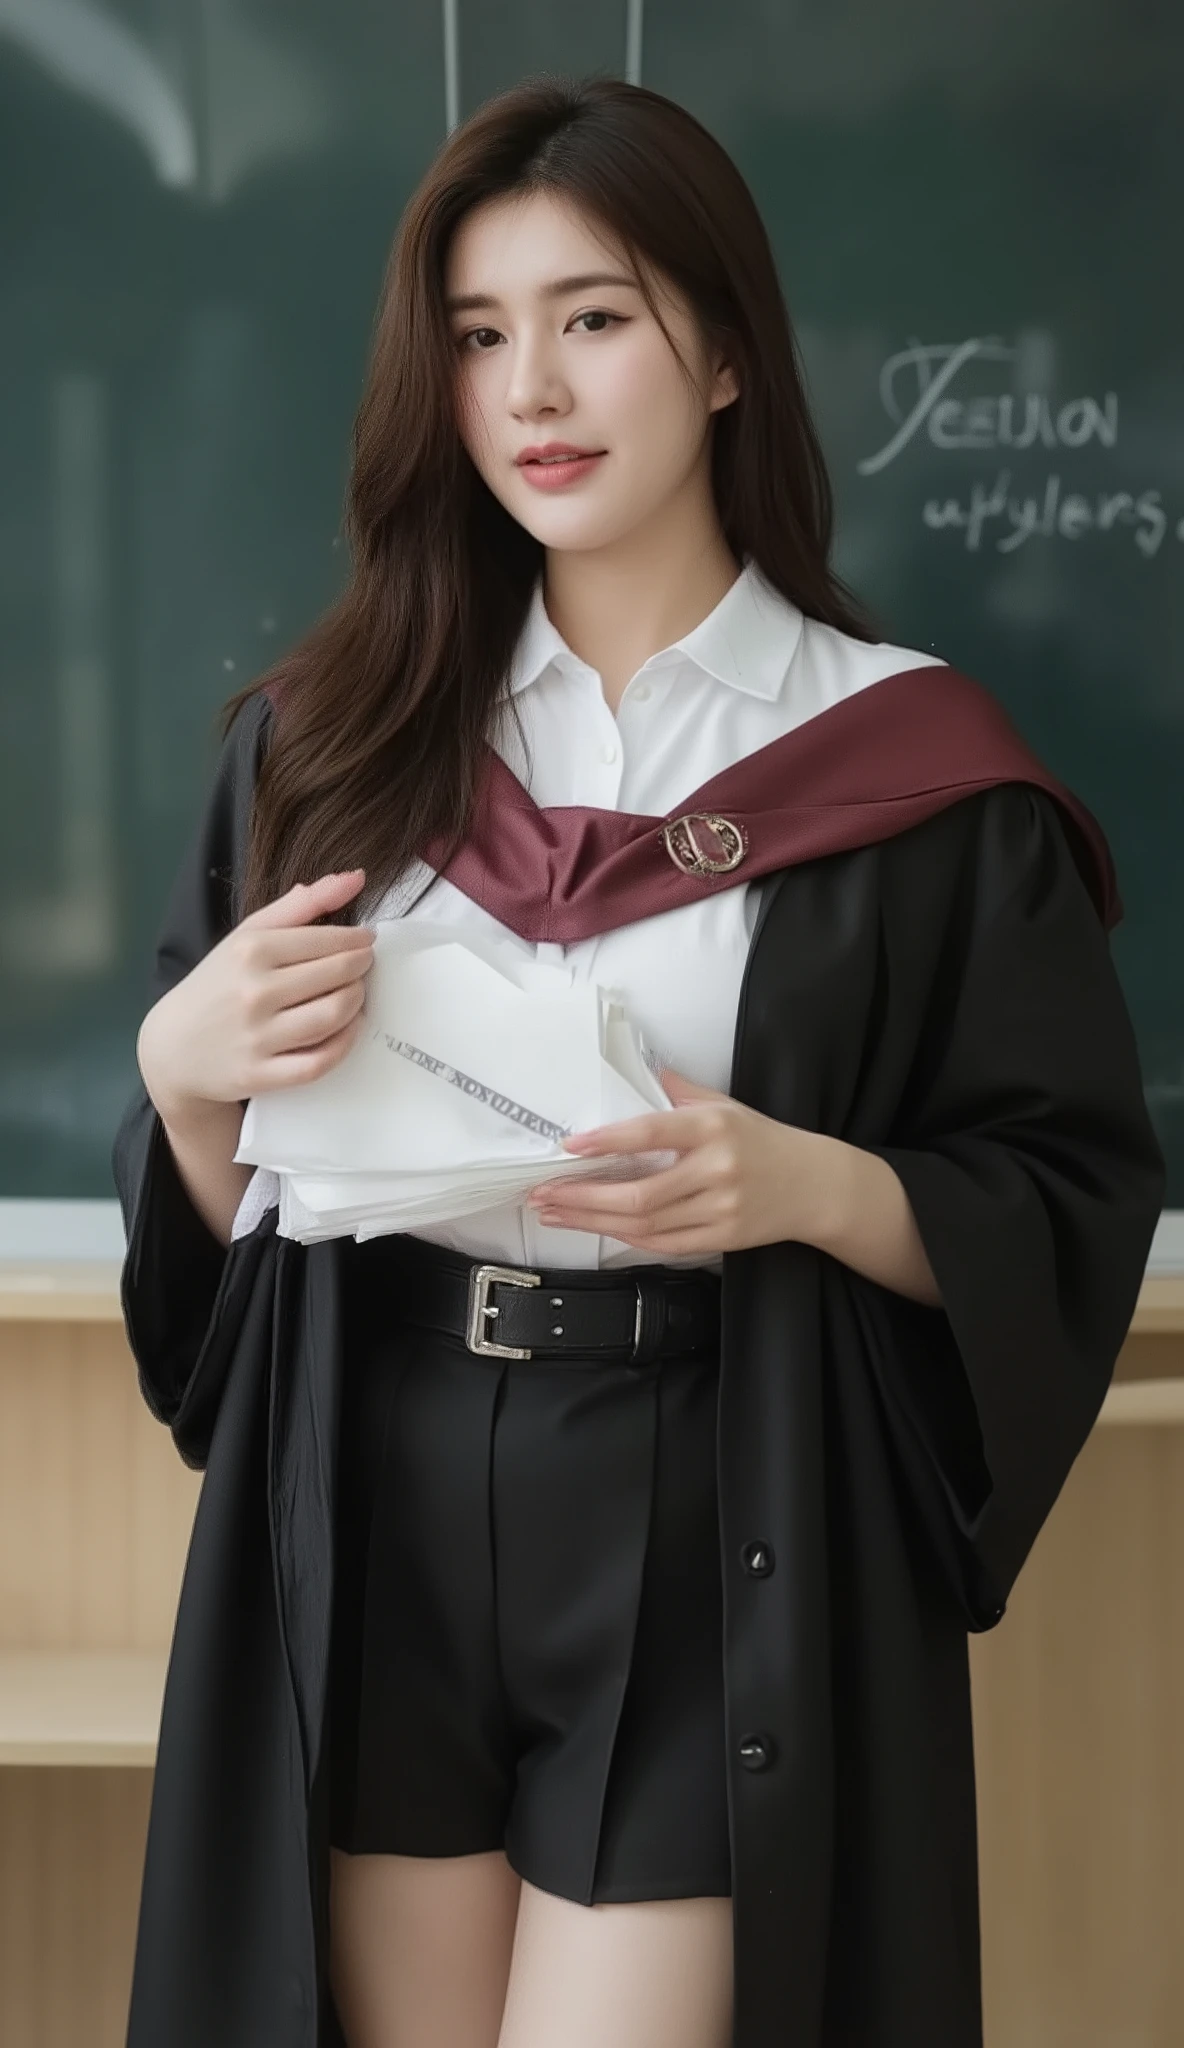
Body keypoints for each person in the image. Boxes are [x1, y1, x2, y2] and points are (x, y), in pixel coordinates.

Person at [112, 74, 1165, 2048]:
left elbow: (1074, 1189)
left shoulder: (918, 778)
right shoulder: (330, 745)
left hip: (710, 1505)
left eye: (591, 317)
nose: (533, 389)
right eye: (480, 336)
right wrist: (182, 1081)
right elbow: (225, 1266)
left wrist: (811, 1186)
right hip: (378, 1488)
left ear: (725, 354)